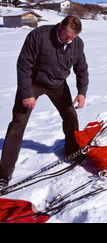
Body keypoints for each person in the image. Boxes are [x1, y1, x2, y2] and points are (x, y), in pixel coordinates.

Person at [0, 16, 89, 188]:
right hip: (33, 83)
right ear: (60, 25)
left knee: (70, 115)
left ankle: (72, 150)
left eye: (72, 38)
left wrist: (81, 92)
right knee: (18, 122)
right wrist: (26, 93)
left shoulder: (77, 43)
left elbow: (82, 69)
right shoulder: (39, 35)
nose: (68, 40)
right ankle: (4, 172)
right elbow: (24, 65)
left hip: (58, 85)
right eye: (66, 36)